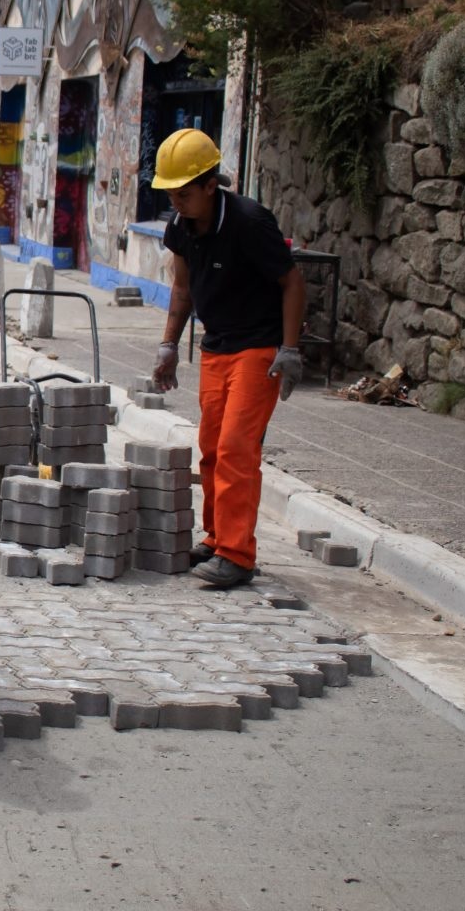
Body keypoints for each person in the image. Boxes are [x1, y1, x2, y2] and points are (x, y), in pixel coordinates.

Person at [150, 128, 307, 589]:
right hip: (215, 346)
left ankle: (237, 555)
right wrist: (169, 346)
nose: (176, 202)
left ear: (209, 184)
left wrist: (291, 350)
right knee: (213, 449)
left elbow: (292, 282)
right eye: (170, 194)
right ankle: (218, 538)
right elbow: (181, 287)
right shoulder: (180, 226)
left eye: (183, 193)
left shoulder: (250, 222)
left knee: (239, 448)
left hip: (258, 348)